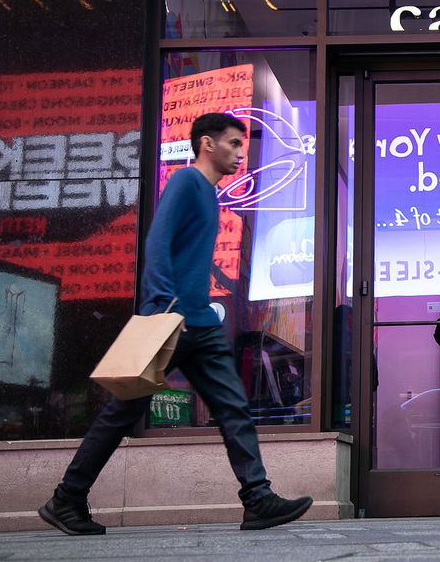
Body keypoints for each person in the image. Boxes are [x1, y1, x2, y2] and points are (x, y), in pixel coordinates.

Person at [39, 113, 314, 535]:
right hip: (174, 321)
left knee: (233, 409)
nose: (242, 152)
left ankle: (257, 499)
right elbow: (158, 242)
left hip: (199, 324)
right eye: (234, 144)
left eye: (243, 145)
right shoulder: (187, 184)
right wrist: (162, 308)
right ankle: (67, 498)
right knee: (121, 413)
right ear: (207, 144)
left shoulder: (209, 194)